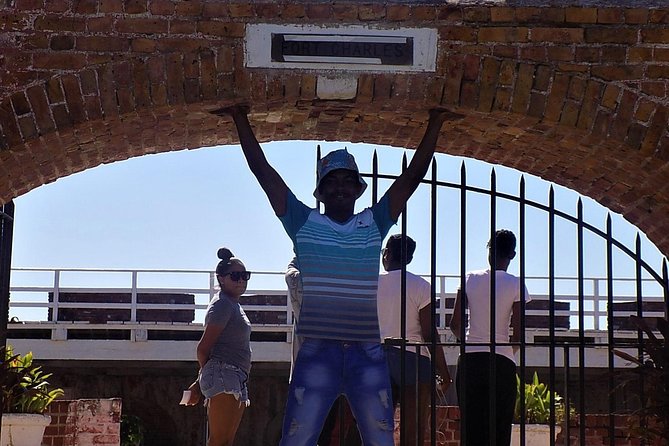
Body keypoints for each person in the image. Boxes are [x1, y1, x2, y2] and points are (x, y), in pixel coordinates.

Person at [215, 104, 463, 446]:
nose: (341, 187)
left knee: (381, 440)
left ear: (359, 189)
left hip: (367, 354)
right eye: (332, 181)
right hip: (318, 353)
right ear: (321, 191)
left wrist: (434, 123)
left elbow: (411, 178)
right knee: (296, 441)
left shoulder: (373, 224)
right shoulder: (303, 223)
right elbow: (264, 172)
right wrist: (240, 119)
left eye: (348, 181)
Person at [449, 229, 531, 446]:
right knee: (499, 428)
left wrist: (469, 344)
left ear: (489, 251)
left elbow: (455, 325)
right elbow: (519, 333)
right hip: (501, 362)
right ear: (512, 255)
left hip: (471, 360)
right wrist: (505, 349)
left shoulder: (469, 278)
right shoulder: (515, 284)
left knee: (471, 428)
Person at [377, 234, 452, 446]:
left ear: (387, 254)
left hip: (379, 357)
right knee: (414, 431)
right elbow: (429, 333)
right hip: (414, 358)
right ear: (409, 259)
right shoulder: (420, 285)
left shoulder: (372, 283)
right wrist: (444, 372)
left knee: (377, 427)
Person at [183, 247, 253, 446]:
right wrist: (205, 378)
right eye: (235, 276)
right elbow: (204, 348)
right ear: (221, 278)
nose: (241, 280)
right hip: (225, 374)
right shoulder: (222, 305)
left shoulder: (232, 304)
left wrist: (199, 382)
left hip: (235, 376)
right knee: (219, 441)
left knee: (225, 442)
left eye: (245, 276)